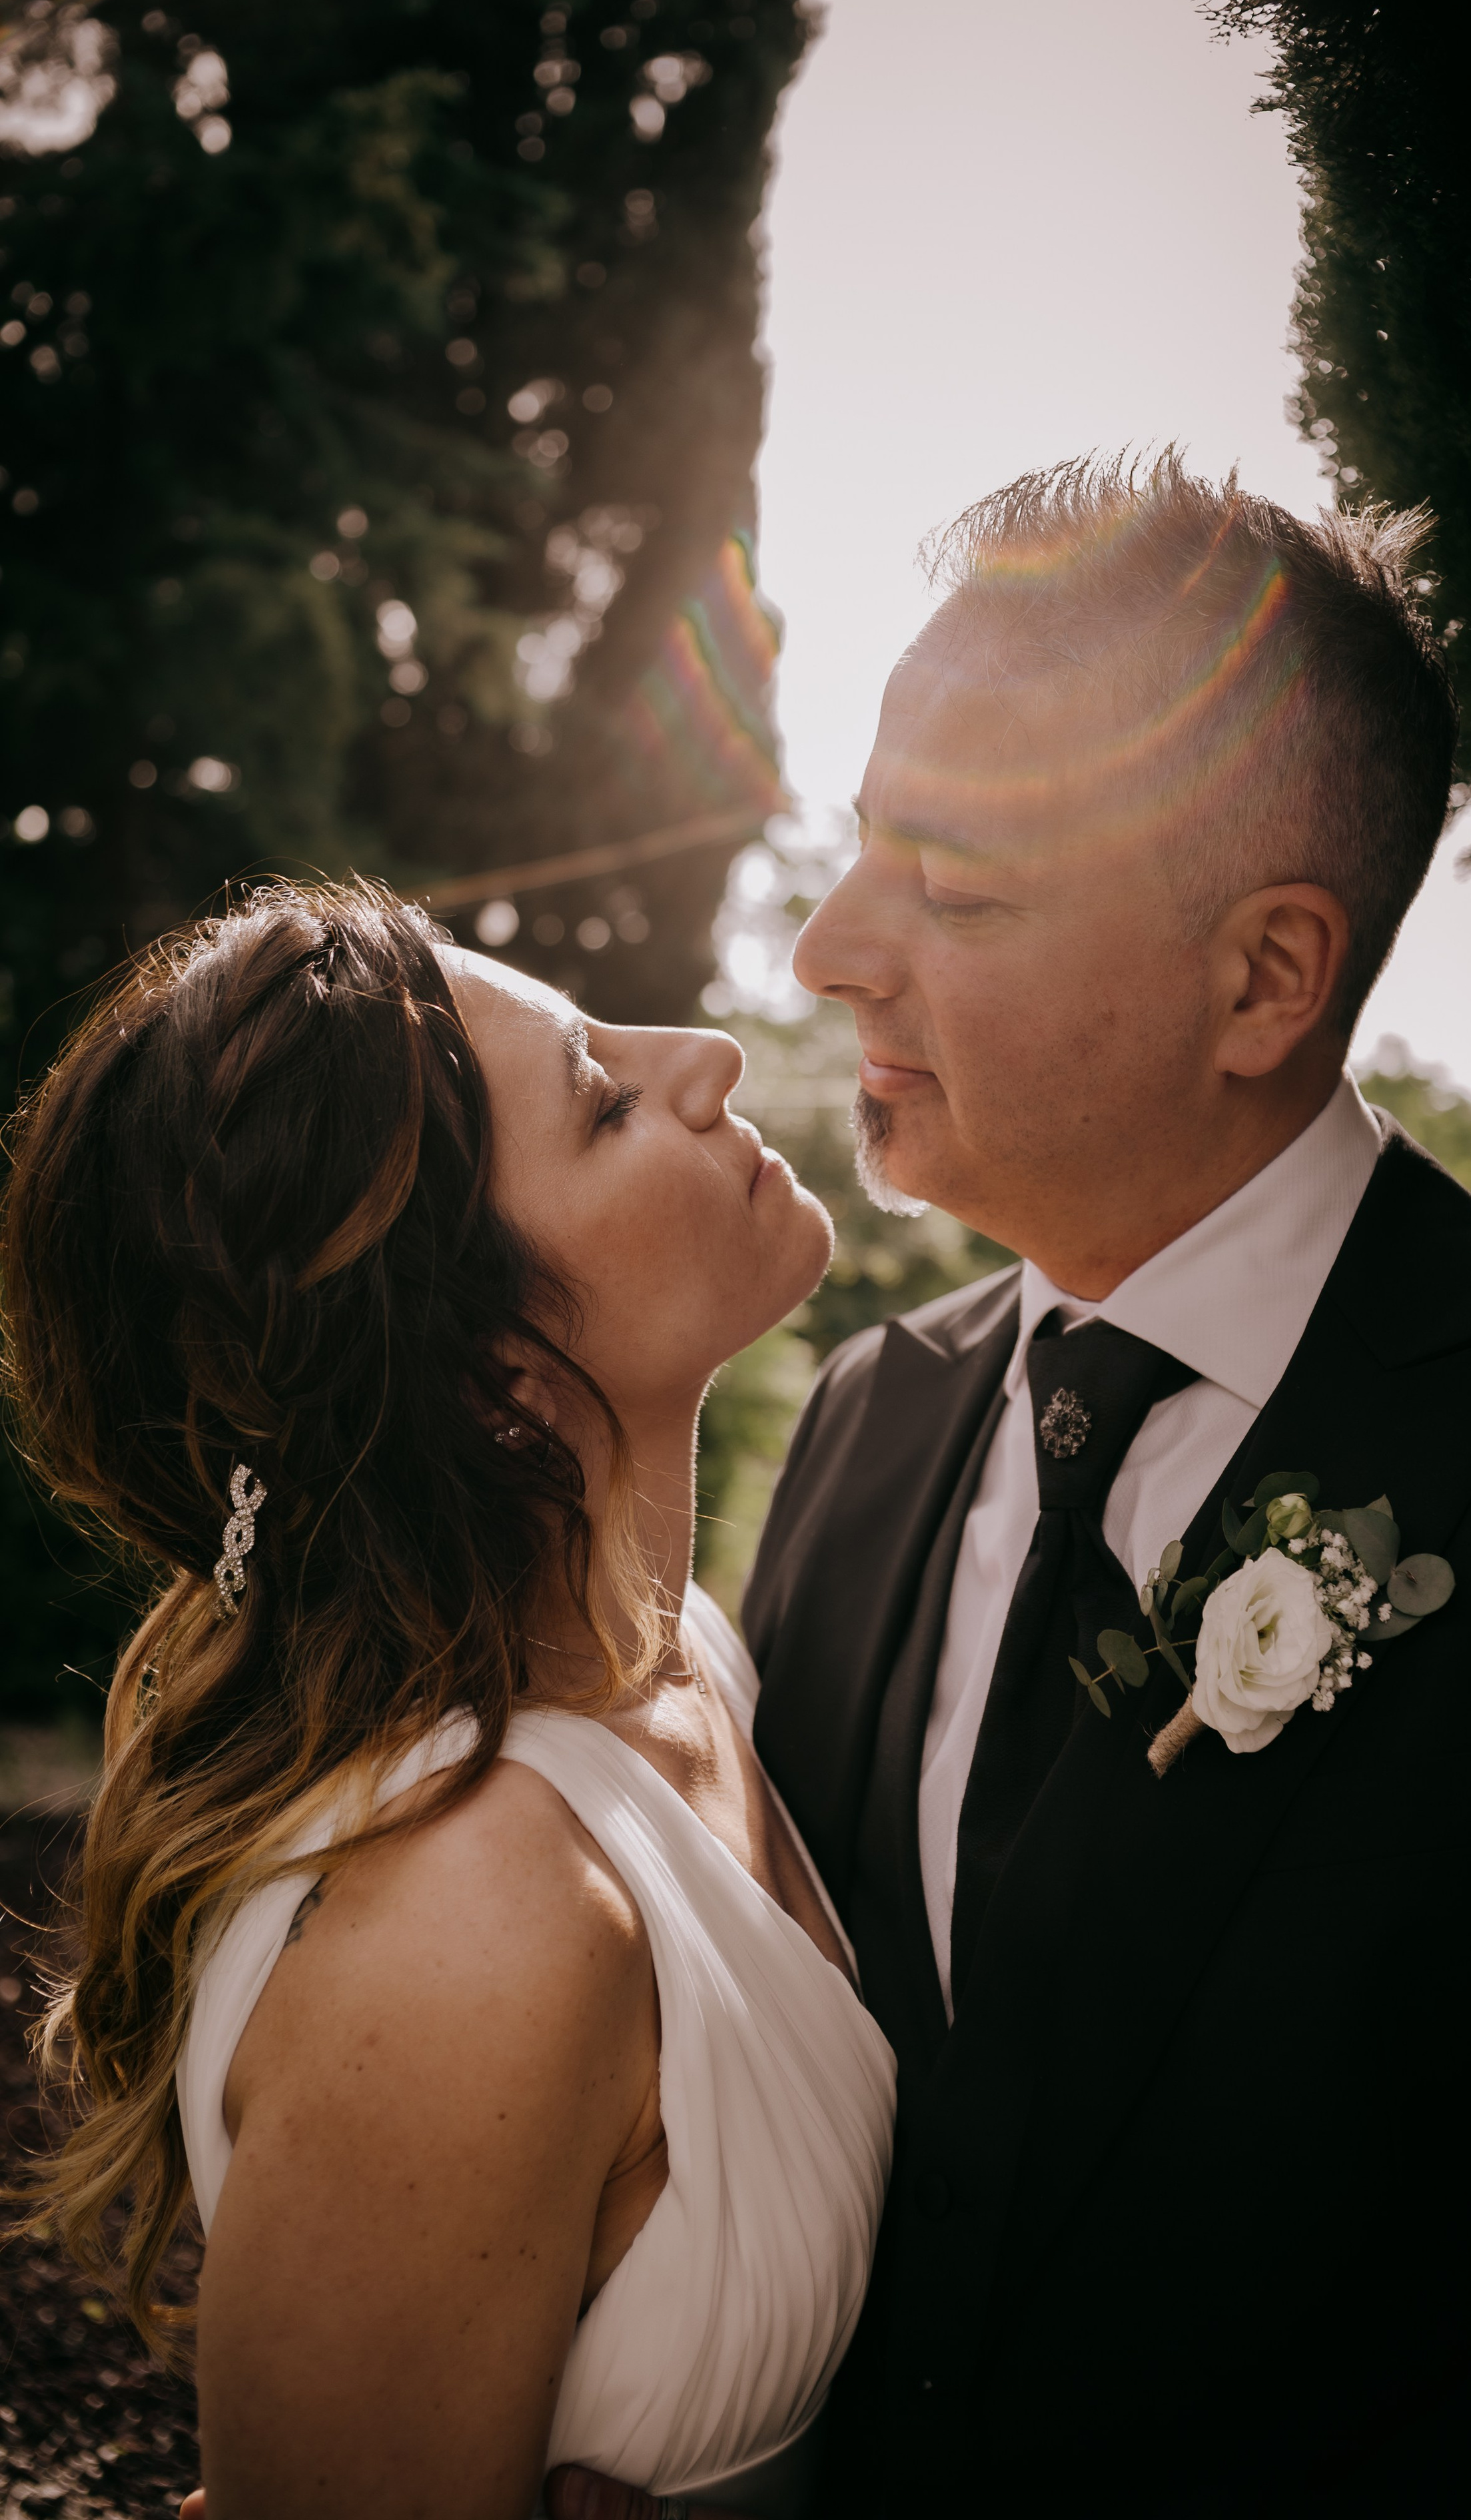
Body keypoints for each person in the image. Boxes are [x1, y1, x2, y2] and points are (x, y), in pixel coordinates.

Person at [716, 454, 1471, 2515]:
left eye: (956, 888)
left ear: (1266, 976)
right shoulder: (868, 1423)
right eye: (858, 850)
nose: (825, 952)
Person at [3, 883, 895, 2520]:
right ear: (497, 1378)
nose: (703, 1057)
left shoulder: (681, 1650)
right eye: (607, 1104)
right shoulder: (472, 1921)